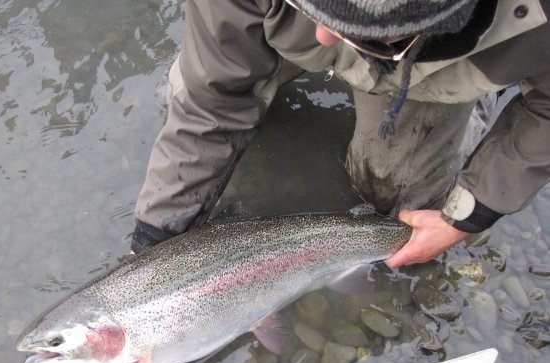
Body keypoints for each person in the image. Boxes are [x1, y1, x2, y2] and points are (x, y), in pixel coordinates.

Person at [131, 0, 550, 268]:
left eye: (360, 29)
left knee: (403, 208)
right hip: (280, 27)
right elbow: (212, 103)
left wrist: (469, 215)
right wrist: (156, 237)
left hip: (437, 71)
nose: (322, 34)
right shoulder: (315, 25)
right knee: (184, 92)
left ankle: (475, 99)